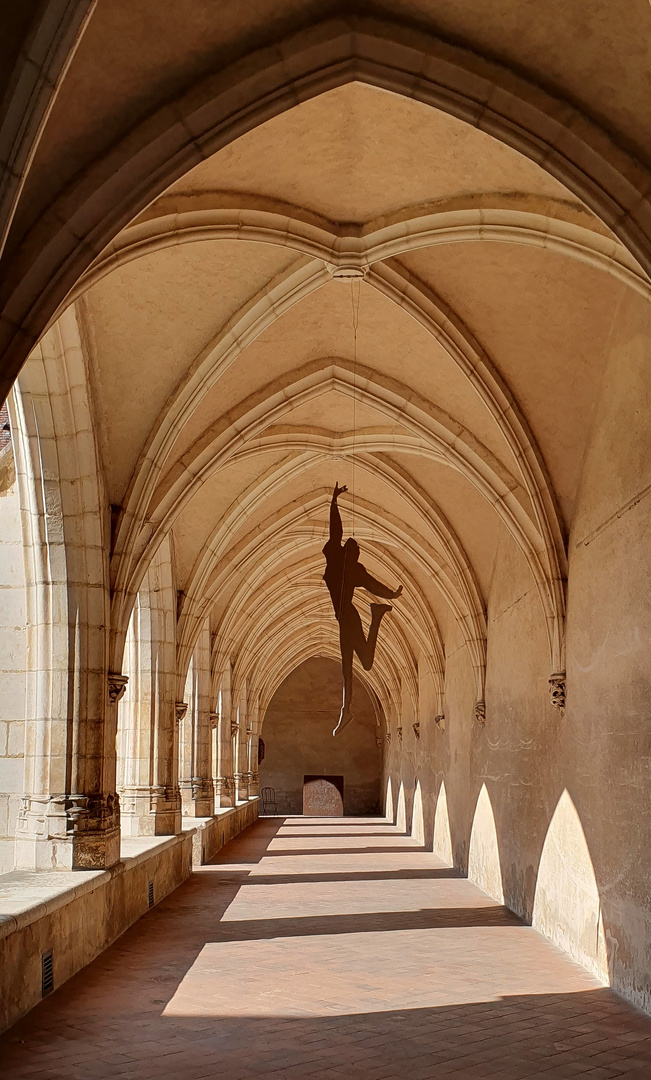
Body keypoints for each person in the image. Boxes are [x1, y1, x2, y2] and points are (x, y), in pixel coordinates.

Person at [323, 482, 402, 736]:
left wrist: (391, 593)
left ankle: (346, 710)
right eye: (354, 550)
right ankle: (376, 615)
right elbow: (336, 532)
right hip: (347, 619)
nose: (356, 554)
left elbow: (372, 584)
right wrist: (334, 503)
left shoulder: (352, 569)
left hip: (349, 619)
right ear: (348, 551)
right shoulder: (339, 562)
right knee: (362, 664)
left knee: (354, 665)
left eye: (356, 552)